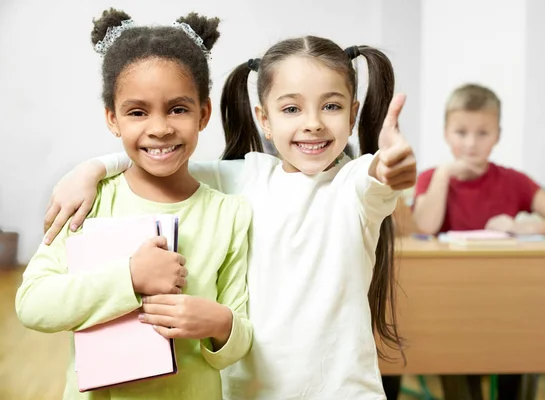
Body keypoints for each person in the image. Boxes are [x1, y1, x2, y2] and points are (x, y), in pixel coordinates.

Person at [43, 35, 417, 399]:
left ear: (353, 114)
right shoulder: (241, 177)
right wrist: (90, 169)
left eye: (331, 106)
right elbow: (160, 156)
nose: (313, 123)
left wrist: (392, 167)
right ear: (264, 119)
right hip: (247, 391)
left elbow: (380, 176)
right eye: (291, 109)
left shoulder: (354, 184)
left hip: (344, 391)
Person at [15, 9, 253, 400]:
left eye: (178, 108)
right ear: (113, 119)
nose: (159, 128)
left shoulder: (229, 214)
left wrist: (220, 323)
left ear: (204, 113)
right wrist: (130, 278)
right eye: (137, 112)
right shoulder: (89, 201)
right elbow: (33, 305)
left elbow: (237, 340)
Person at [412, 83, 545, 400]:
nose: (471, 143)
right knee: (460, 367)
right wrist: (445, 175)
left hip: (507, 300)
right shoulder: (431, 178)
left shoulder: (514, 181)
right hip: (450, 303)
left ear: (497, 135)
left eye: (482, 133)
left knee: (521, 348)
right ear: (446, 133)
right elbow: (426, 225)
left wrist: (519, 226)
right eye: (461, 132)